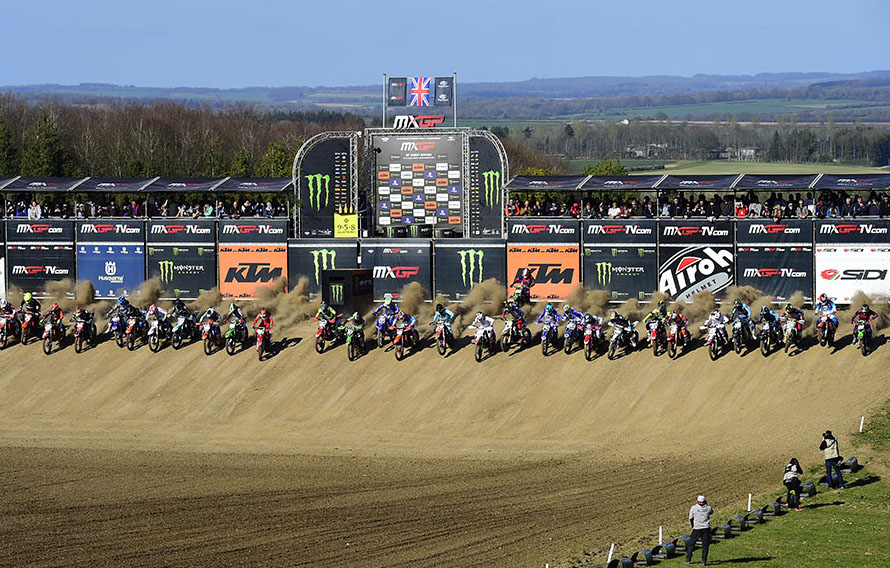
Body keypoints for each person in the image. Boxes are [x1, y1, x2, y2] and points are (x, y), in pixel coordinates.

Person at [687, 495, 714, 565]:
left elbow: (691, 518)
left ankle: (688, 559)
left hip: (697, 528)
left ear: (697, 501)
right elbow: (711, 512)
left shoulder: (693, 508)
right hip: (706, 528)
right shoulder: (708, 508)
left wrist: (693, 526)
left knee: (691, 544)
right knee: (705, 545)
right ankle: (703, 561)